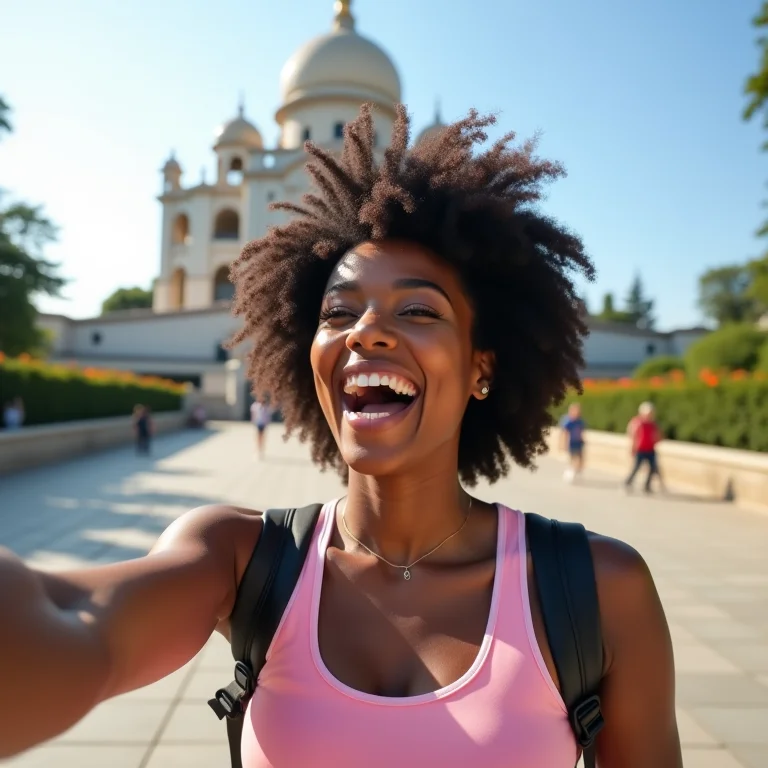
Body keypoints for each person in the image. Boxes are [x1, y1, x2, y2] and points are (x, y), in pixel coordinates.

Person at [0, 105, 682, 766]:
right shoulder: (239, 561)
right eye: (339, 312)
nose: (366, 332)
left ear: (482, 367)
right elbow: (75, 626)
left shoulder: (596, 589)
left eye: (418, 309)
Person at [625, 402, 665, 493]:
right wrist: (632, 448)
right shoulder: (638, 423)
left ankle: (647, 485)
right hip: (640, 450)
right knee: (636, 468)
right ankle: (628, 482)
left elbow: (658, 435)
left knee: (653, 468)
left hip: (650, 450)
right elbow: (634, 436)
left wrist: (657, 439)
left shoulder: (653, 424)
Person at [559, 402, 586, 483]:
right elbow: (564, 433)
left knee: (580, 458)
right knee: (573, 459)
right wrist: (563, 444)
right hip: (571, 443)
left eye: (578, 411)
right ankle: (570, 472)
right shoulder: (568, 421)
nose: (576, 413)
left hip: (578, 442)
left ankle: (576, 470)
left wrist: (582, 439)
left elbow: (581, 431)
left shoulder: (580, 421)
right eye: (574, 411)